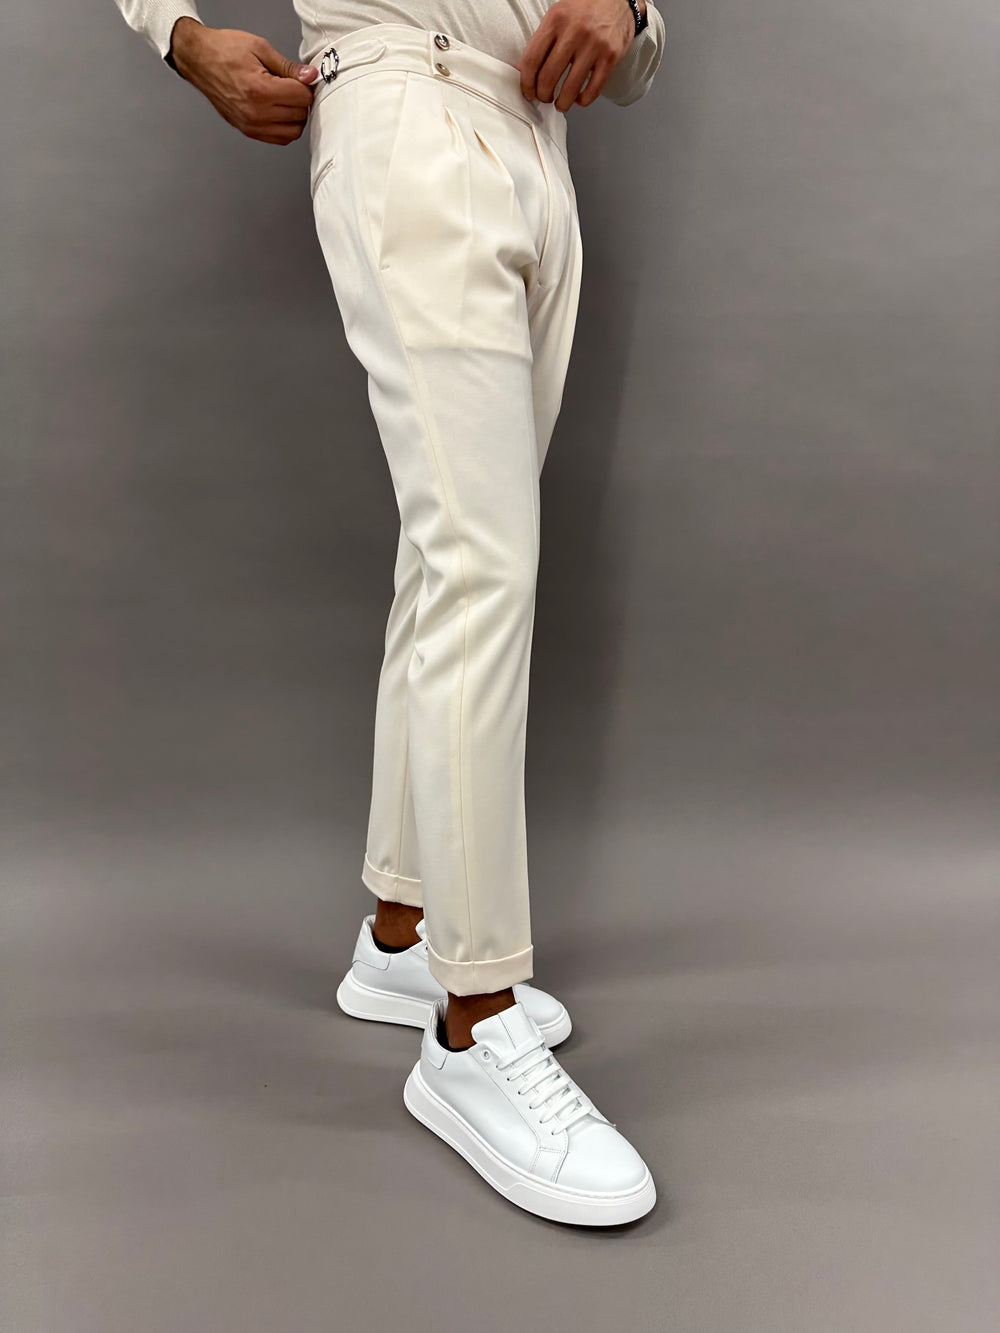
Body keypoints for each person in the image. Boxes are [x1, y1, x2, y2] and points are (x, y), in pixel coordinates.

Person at [112, 0, 666, 1226]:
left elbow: (623, 42)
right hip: (410, 106)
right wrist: (180, 35)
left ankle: (404, 937)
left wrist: (626, 6)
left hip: (538, 137)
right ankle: (472, 1027)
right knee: (480, 567)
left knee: (449, 561)